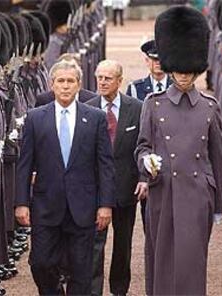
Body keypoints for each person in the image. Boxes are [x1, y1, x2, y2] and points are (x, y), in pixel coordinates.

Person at [134, 6, 222, 295]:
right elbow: (142, 146)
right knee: (161, 261)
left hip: (197, 194)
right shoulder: (153, 103)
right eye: (179, 71)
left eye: (189, 72)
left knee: (192, 262)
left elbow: (217, 159)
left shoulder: (210, 107)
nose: (183, 77)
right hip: (163, 191)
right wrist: (147, 161)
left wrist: (218, 204)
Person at [15, 59, 115, 295]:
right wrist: (21, 203)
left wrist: (105, 205)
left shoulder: (96, 118)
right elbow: (24, 164)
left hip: (83, 207)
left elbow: (105, 165)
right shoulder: (35, 117)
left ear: (79, 84)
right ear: (52, 84)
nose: (66, 86)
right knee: (40, 263)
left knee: (81, 270)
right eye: (61, 81)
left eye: (71, 81)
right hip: (46, 206)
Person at [87, 60, 143, 296]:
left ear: (120, 81)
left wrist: (143, 178)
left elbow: (143, 145)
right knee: (94, 245)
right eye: (99, 77)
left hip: (125, 187)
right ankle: (93, 291)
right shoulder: (87, 107)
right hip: (94, 189)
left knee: (123, 244)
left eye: (108, 78)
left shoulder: (137, 108)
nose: (102, 82)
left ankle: (119, 289)